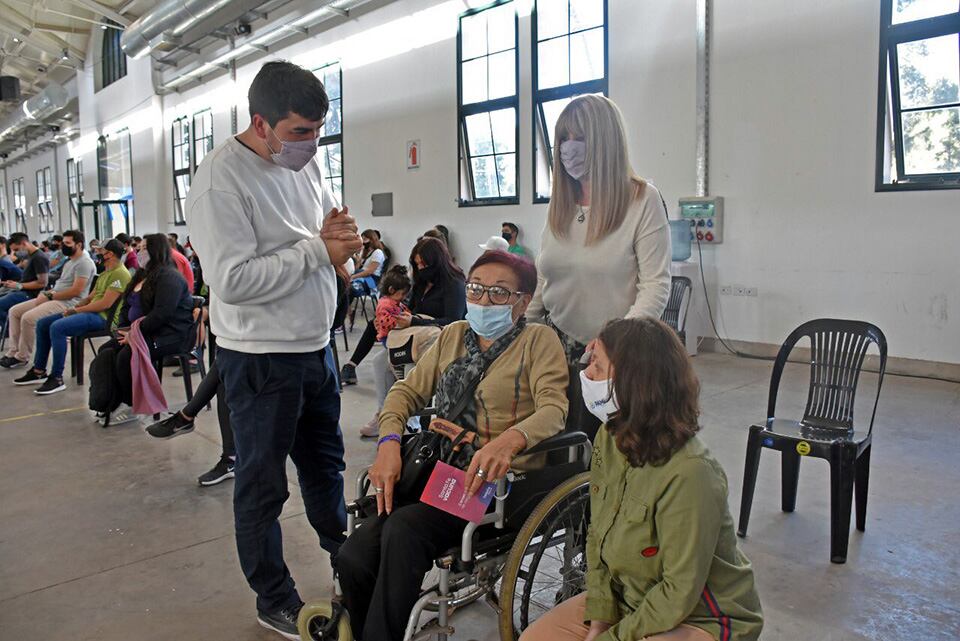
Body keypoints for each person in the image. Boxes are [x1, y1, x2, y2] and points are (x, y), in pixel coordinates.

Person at [186, 60, 362, 639]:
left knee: (326, 467)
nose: (311, 145)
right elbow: (232, 281)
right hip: (261, 358)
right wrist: (318, 253)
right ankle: (274, 596)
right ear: (260, 124)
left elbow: (329, 232)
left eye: (318, 132)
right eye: (298, 132)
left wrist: (345, 246)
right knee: (263, 485)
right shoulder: (221, 179)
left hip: (315, 349)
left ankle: (349, 563)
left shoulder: (305, 163)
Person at [336, 250, 569, 641]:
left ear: (523, 301)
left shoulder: (538, 340)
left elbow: (554, 408)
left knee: (404, 532)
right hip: (434, 468)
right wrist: (389, 442)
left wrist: (509, 441)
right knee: (354, 555)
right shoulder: (454, 335)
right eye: (475, 288)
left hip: (492, 483)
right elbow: (405, 393)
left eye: (499, 292)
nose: (483, 300)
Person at [520, 317, 763, 641]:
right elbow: (598, 535)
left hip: (703, 616)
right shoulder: (610, 437)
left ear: (636, 383)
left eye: (597, 366)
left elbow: (679, 590)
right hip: (629, 596)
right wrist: (600, 618)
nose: (586, 375)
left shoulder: (691, 473)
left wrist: (612, 638)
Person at [525, 95, 671, 439]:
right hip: (557, 345)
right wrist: (523, 327)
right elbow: (544, 273)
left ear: (605, 140)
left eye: (579, 138)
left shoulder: (642, 200)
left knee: (604, 445)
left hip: (614, 353)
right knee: (556, 444)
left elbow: (656, 285)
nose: (568, 148)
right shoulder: (561, 202)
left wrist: (615, 342)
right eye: (563, 138)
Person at [93, 233, 195, 425]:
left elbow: (162, 314)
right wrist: (124, 329)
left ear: (158, 250)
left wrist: (134, 334)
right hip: (142, 331)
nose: (140, 252)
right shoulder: (142, 274)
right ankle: (111, 400)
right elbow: (126, 305)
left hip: (170, 335)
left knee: (126, 355)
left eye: (145, 248)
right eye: (139, 248)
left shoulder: (170, 277)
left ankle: (130, 404)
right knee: (107, 350)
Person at [13, 239, 130, 395]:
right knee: (43, 323)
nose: (97, 254)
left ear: (110, 254)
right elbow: (90, 297)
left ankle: (57, 378)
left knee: (58, 327)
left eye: (100, 251)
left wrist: (77, 311)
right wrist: (76, 307)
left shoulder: (120, 274)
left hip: (103, 318)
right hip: (91, 312)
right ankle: (38, 371)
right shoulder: (105, 273)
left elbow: (104, 304)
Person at [1, 230, 95, 369]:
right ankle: (13, 351)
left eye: (68, 243)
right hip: (54, 296)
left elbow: (76, 291)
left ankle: (22, 356)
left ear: (79, 245)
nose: (63, 246)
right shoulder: (70, 261)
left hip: (68, 302)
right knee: (14, 311)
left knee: (28, 318)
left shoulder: (84, 263)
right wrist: (47, 293)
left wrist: (49, 296)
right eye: (63, 243)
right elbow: (60, 285)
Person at [0, 233, 50, 327]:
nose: (16, 253)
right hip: (23, 290)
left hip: (32, 294)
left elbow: (42, 283)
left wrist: (19, 285)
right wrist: (15, 284)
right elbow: (29, 279)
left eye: (16, 250)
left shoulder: (39, 257)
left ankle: (8, 330)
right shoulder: (31, 256)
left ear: (24, 243)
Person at [373, 265, 411, 342]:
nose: (404, 297)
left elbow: (405, 311)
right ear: (391, 290)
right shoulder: (384, 304)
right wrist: (401, 321)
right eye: (403, 294)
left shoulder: (396, 302)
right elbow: (385, 322)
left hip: (395, 333)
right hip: (387, 336)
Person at [349, 229, 386, 298]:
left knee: (350, 289)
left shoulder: (378, 252)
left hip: (371, 279)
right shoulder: (365, 252)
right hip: (362, 275)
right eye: (362, 239)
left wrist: (353, 277)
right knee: (343, 285)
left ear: (372, 240)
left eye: (365, 239)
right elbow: (356, 269)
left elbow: (369, 271)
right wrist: (358, 261)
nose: (363, 241)